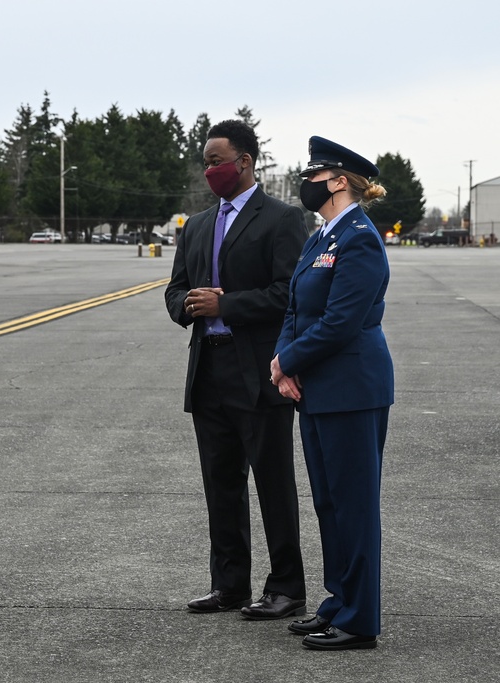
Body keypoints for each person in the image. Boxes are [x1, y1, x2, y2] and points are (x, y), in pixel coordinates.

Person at [164, 120, 308, 620]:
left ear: (244, 162)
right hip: (209, 372)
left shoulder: (283, 219)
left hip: (259, 372)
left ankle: (286, 588)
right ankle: (228, 585)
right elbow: (175, 291)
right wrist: (189, 305)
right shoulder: (198, 226)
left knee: (272, 483)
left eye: (215, 160)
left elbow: (291, 292)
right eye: (204, 162)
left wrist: (228, 304)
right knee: (220, 484)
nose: (209, 170)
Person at [271, 136, 393, 651]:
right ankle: (337, 603)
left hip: (351, 388)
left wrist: (288, 361)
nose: (307, 183)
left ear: (339, 180)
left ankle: (360, 619)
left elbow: (342, 323)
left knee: (354, 505)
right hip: (317, 388)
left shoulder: (361, 238)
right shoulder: (321, 237)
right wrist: (283, 362)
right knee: (328, 503)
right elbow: (297, 309)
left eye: (314, 174)